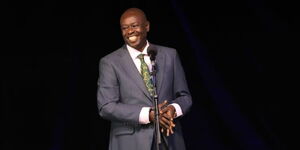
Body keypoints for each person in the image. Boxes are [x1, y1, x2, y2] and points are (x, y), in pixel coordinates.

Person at [97, 7, 192, 150]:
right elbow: (106, 106)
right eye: (125, 28)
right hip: (130, 143)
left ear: (146, 26)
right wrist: (148, 114)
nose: (129, 31)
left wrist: (173, 109)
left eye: (134, 26)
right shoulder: (110, 62)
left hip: (169, 139)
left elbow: (185, 97)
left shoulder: (170, 55)